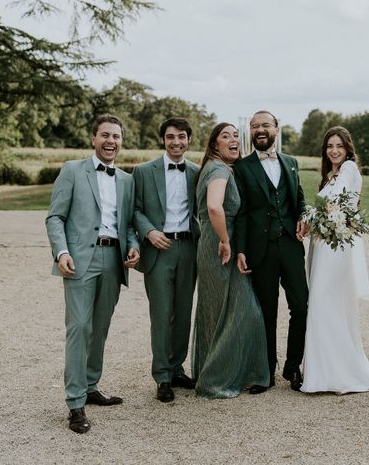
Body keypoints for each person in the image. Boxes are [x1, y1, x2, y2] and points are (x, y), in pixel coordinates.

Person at [45, 114, 140, 434]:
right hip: (79, 259)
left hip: (113, 261)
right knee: (79, 328)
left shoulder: (127, 179)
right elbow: (55, 217)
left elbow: (127, 224)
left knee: (99, 328)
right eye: (105, 135)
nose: (111, 141)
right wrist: (61, 252)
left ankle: (90, 386)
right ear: (93, 138)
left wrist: (133, 245)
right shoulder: (73, 169)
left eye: (116, 136)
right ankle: (75, 403)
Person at [191, 123, 270, 398]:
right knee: (245, 312)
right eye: (226, 136)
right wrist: (225, 240)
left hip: (213, 245)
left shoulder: (213, 168)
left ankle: (219, 373)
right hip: (218, 246)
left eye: (236, 135)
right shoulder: (219, 169)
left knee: (218, 312)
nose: (233, 139)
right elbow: (214, 206)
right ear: (214, 145)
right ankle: (216, 380)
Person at [301, 126, 369, 394]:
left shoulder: (348, 169)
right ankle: (324, 371)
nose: (334, 150)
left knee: (324, 301)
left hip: (336, 247)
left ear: (348, 148)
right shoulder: (330, 174)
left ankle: (338, 374)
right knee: (326, 303)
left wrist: (309, 218)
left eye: (339, 146)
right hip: (324, 244)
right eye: (329, 146)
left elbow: (336, 204)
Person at [234, 110, 308, 391]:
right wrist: (241, 249)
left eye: (265, 125)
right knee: (266, 311)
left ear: (277, 128)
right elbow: (241, 212)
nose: (260, 130)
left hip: (290, 245)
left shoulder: (291, 162)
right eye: (255, 127)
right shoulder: (242, 168)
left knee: (301, 306)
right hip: (259, 249)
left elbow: (298, 196)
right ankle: (266, 371)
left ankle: (293, 368)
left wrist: (303, 215)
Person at [132, 117, 199, 403]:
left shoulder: (197, 172)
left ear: (189, 140)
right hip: (159, 248)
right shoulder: (144, 171)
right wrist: (149, 232)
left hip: (188, 248)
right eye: (171, 137)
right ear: (163, 140)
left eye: (182, 137)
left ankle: (176, 368)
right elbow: (133, 209)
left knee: (183, 312)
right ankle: (161, 376)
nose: (176, 142)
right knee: (161, 313)